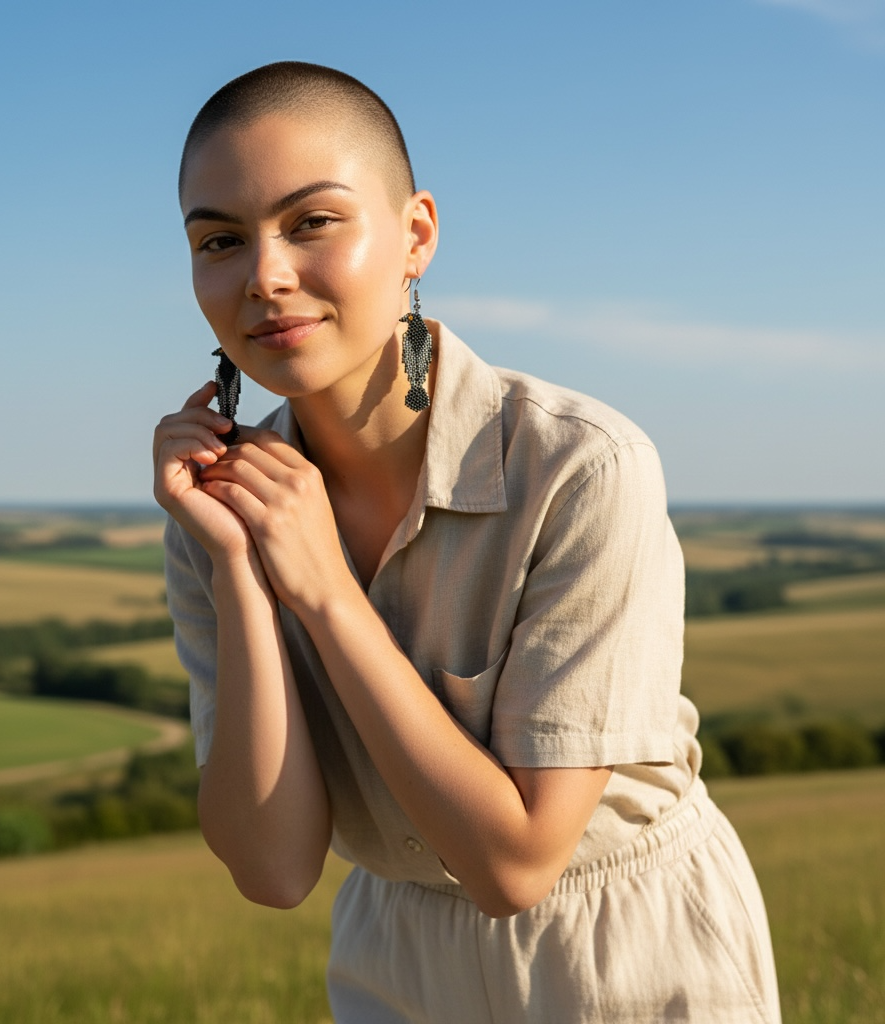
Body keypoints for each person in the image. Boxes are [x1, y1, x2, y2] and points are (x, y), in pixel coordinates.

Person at [153, 61, 781, 1023]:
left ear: (414, 236)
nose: (265, 276)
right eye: (221, 240)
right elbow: (274, 871)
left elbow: (517, 863)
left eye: (312, 222)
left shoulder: (580, 468)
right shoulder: (221, 510)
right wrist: (242, 567)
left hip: (623, 953)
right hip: (390, 954)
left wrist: (322, 587)